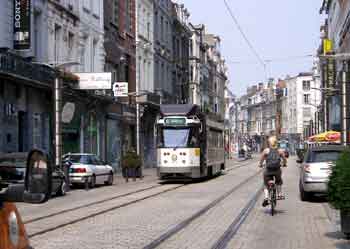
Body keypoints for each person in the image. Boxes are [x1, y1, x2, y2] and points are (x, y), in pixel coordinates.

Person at [259, 136, 287, 207]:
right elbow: (284, 159)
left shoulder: (266, 150)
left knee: (265, 184)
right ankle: (279, 194)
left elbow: (261, 159)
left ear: (269, 143)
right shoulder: (280, 151)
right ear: (276, 143)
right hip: (277, 170)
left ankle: (266, 197)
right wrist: (284, 164)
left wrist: (260, 164)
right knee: (279, 181)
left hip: (268, 170)